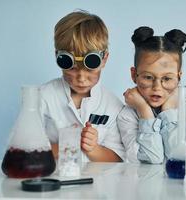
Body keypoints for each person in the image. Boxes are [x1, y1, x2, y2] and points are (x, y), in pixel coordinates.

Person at [40, 10, 124, 162]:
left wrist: (93, 149)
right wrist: (66, 144)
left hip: (96, 184)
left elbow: (118, 160)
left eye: (90, 66)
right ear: (58, 57)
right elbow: (26, 150)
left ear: (104, 59)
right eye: (71, 66)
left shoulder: (114, 106)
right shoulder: (43, 97)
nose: (81, 77)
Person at [117, 26, 186, 164]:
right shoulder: (128, 114)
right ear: (134, 75)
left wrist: (168, 110)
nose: (157, 88)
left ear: (179, 77)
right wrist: (144, 111)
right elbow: (151, 159)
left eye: (167, 79)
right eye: (148, 77)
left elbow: (183, 157)